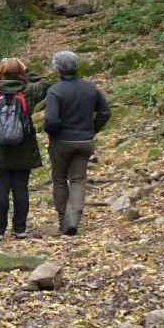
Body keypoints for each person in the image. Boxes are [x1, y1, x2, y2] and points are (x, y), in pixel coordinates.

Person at [0, 57, 48, 240]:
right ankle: (20, 229)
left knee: (0, 188)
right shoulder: (29, 90)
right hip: (23, 148)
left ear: (1, 73)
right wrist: (27, 71)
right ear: (21, 73)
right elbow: (44, 83)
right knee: (21, 188)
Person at [44, 50, 111, 236]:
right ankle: (73, 219)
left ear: (57, 69)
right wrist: (92, 129)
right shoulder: (91, 88)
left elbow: (51, 121)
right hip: (85, 141)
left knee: (59, 179)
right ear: (76, 66)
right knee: (78, 180)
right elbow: (105, 113)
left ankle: (63, 220)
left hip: (62, 142)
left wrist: (53, 134)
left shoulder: (55, 91)